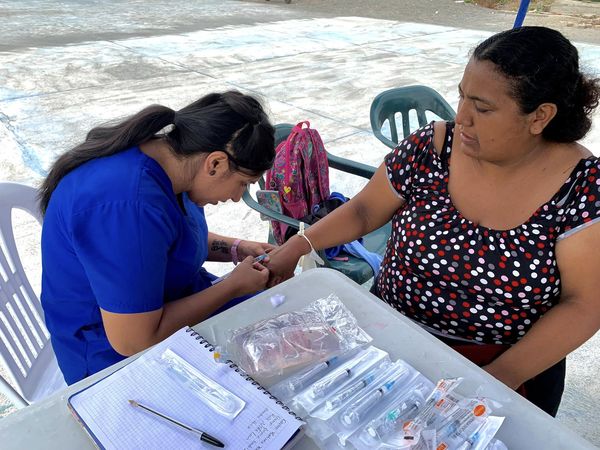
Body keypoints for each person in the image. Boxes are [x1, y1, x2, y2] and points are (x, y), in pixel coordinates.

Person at [266, 26, 600, 416]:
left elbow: (584, 304)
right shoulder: (433, 147)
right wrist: (297, 245)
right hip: (390, 340)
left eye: (483, 108)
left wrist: (495, 380)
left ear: (540, 116)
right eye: (462, 96)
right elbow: (364, 210)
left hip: (505, 370)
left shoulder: (582, 188)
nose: (462, 117)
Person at [39, 91, 275, 384]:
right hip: (115, 357)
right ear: (215, 164)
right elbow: (134, 340)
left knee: (280, 323)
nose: (238, 197)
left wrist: (235, 248)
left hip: (170, 302)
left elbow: (163, 239)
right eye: (243, 183)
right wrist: (232, 286)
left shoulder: (173, 165)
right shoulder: (127, 205)